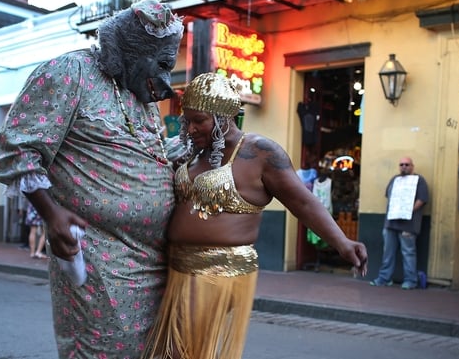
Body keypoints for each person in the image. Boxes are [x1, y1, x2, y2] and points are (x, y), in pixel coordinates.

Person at [0, 0, 184, 357]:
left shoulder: (140, 98)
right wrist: (51, 214)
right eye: (163, 64)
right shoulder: (70, 72)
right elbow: (15, 150)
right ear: (134, 51)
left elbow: (149, 156)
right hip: (99, 259)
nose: (166, 80)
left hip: (154, 261)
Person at [142, 72, 368, 359]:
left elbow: (303, 202)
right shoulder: (192, 152)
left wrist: (342, 242)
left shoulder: (259, 152)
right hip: (177, 266)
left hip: (218, 270)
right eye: (187, 120)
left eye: (198, 120)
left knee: (179, 351)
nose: (190, 127)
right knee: (175, 350)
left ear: (223, 116)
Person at [370, 156, 429, 290]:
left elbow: (422, 199)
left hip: (409, 224)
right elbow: (389, 196)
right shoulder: (394, 180)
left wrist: (407, 210)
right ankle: (384, 278)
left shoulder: (419, 181)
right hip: (390, 223)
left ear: (412, 166)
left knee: (408, 252)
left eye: (407, 164)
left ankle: (410, 280)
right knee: (387, 252)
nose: (404, 167)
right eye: (401, 164)